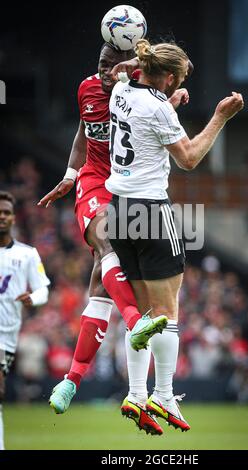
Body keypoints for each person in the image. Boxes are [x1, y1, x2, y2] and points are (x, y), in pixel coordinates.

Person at [106, 38, 244, 431]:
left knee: (140, 315)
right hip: (151, 211)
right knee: (167, 314)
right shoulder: (158, 108)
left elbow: (137, 103)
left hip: (119, 211)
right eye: (177, 78)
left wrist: (167, 102)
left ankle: (135, 392)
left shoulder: (120, 89)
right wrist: (220, 117)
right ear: (169, 78)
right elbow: (188, 158)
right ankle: (164, 395)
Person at [38, 43, 169, 435]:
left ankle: (72, 381)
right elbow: (83, 132)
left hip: (130, 188)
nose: (107, 70)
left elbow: (184, 68)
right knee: (105, 241)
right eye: (101, 63)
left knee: (101, 281)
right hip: (95, 180)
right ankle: (136, 321)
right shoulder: (87, 89)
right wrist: (68, 174)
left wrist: (169, 90)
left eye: (116, 64)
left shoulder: (143, 95)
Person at [0, 191, 50, 450]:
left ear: (13, 217)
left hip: (6, 335)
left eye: (6, 212)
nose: (2, 216)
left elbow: (43, 288)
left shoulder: (27, 254)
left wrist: (34, 298)